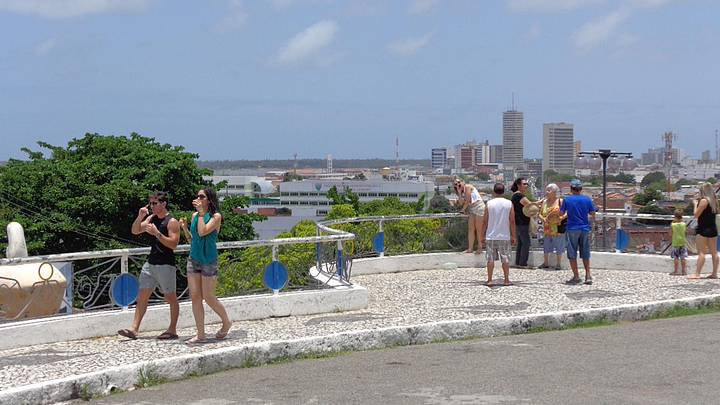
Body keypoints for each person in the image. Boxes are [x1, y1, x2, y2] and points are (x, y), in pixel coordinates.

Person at [118, 191, 180, 340]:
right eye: (150, 203)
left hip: (165, 264)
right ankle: (134, 329)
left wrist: (157, 233)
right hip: (151, 263)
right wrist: (140, 217)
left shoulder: (172, 221)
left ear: (163, 204)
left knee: (170, 297)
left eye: (155, 203)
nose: (152, 206)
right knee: (142, 296)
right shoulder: (151, 218)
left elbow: (174, 244)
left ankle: (172, 329)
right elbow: (135, 230)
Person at [180, 187, 232, 344]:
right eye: (197, 196)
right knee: (195, 296)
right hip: (194, 258)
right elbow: (193, 239)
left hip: (208, 260)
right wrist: (184, 228)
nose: (198, 199)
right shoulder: (195, 215)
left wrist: (202, 213)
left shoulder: (215, 217)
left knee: (208, 297)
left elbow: (203, 232)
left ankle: (226, 322)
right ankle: (200, 334)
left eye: (202, 196)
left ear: (209, 199)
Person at [560, 179, 597, 285]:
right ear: (581, 189)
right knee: (585, 252)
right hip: (584, 228)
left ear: (571, 189)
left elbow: (560, 213)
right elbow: (592, 213)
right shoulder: (587, 199)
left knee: (572, 253)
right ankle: (588, 275)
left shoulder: (567, 200)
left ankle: (576, 276)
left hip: (572, 228)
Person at [479, 183, 516, 286]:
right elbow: (512, 221)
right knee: (505, 259)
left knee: (490, 259)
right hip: (504, 235)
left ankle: (490, 280)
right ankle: (506, 280)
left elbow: (485, 221)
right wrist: (513, 235)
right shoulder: (509, 203)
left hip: (491, 235)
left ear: (494, 191)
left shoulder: (489, 203)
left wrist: (482, 235)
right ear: (503, 191)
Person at [689, 182, 719, 279]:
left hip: (703, 229)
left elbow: (696, 215)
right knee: (714, 252)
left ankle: (697, 273)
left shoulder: (703, 201)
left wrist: (695, 204)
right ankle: (714, 273)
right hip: (713, 228)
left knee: (701, 252)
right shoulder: (714, 200)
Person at [453, 178, 486, 254]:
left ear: (463, 182)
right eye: (455, 184)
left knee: (479, 229)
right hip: (472, 209)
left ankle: (480, 247)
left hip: (479, 207)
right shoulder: (461, 191)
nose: (458, 184)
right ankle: (470, 248)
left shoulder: (468, 187)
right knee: (471, 229)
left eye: (459, 182)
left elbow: (467, 200)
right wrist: (459, 193)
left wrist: (462, 210)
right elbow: (461, 203)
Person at [538, 183, 566, 270]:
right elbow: (539, 213)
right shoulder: (544, 202)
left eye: (549, 190)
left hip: (557, 227)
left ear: (554, 192)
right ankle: (546, 262)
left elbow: (567, 212)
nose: (547, 192)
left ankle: (558, 263)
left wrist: (561, 218)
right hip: (547, 227)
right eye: (546, 190)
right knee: (546, 245)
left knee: (559, 245)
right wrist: (543, 219)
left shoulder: (560, 201)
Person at [510, 178, 534, 268]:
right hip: (522, 222)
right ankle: (523, 262)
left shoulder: (515, 195)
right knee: (526, 242)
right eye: (524, 184)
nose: (526, 185)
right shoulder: (519, 196)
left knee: (521, 243)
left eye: (526, 184)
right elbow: (530, 205)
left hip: (518, 222)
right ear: (518, 185)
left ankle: (519, 261)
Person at [669, 210, 688, 276]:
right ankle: (683, 271)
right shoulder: (684, 224)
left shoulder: (673, 225)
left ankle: (676, 271)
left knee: (676, 257)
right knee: (683, 258)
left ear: (675, 216)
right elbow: (686, 233)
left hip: (675, 243)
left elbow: (670, 234)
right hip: (683, 242)